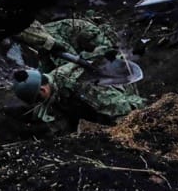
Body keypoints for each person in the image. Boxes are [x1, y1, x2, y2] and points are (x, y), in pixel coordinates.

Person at [14, 17, 144, 130]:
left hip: (128, 104)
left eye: (38, 99)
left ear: (42, 90)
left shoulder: (77, 84)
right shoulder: (52, 79)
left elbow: (124, 108)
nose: (41, 102)